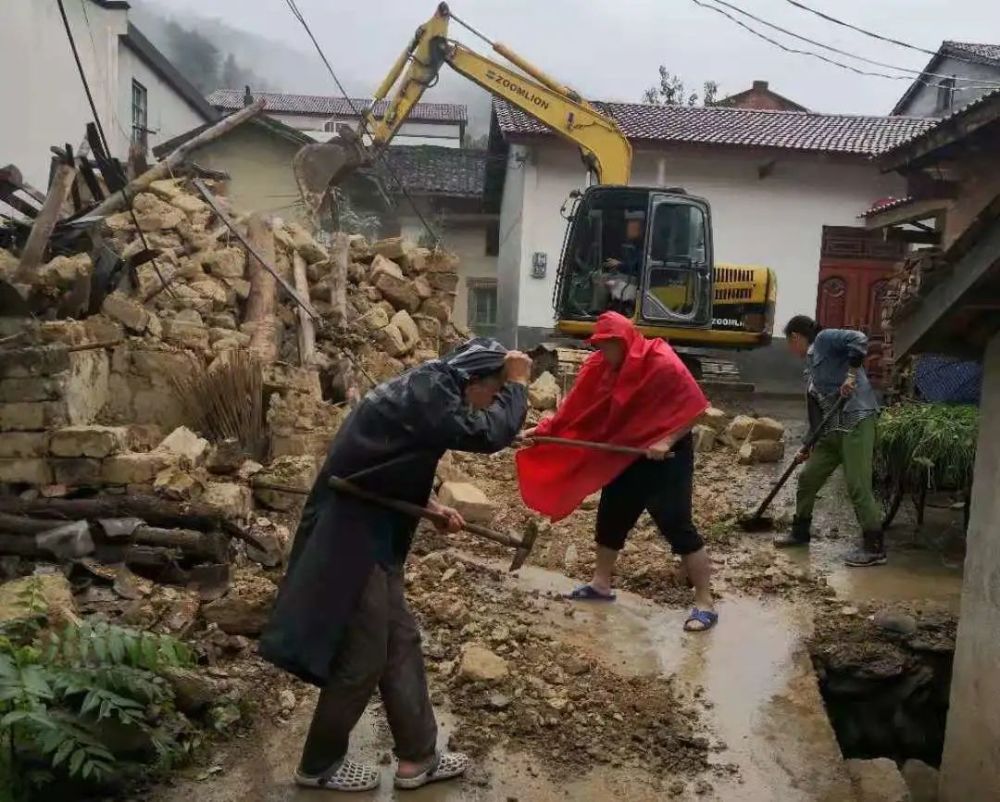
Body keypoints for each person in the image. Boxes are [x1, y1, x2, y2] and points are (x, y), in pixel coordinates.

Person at [259, 339, 532, 792]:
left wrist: (429, 507)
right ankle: (319, 764)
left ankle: (418, 756)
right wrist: (519, 386)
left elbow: (388, 466)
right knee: (366, 654)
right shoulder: (432, 394)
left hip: (373, 529)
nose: (490, 404)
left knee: (400, 639)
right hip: (350, 538)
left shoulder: (430, 388)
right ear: (478, 381)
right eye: (495, 393)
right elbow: (487, 435)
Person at [516, 311, 718, 632]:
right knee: (612, 516)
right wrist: (543, 431)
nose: (604, 352)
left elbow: (695, 407)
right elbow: (574, 412)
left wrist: (666, 440)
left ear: (625, 341)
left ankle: (705, 602)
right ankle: (600, 584)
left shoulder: (661, 361)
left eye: (610, 345)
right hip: (625, 453)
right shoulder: (598, 367)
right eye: (600, 345)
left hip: (666, 455)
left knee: (676, 523)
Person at [774, 315, 885, 567]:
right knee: (807, 478)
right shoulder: (811, 368)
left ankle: (875, 547)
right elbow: (815, 414)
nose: (791, 350)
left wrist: (851, 375)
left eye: (789, 344)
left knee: (857, 485)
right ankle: (800, 532)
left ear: (795, 337)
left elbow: (859, 339)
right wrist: (807, 444)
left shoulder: (824, 340)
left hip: (856, 421)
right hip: (832, 431)